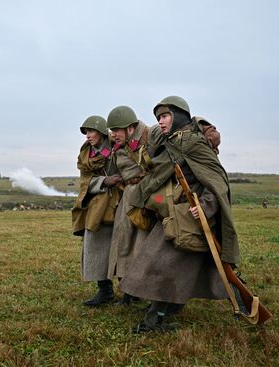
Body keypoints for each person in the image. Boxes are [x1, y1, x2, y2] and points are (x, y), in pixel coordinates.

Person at [119, 96, 240, 332]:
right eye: (159, 118)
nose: (161, 122)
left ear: (178, 116)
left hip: (191, 218)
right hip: (173, 215)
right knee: (173, 267)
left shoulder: (194, 142)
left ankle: (153, 321)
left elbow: (217, 182)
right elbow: (150, 140)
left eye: (165, 116)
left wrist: (205, 206)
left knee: (166, 267)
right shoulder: (170, 141)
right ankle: (163, 311)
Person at [72, 115, 122, 306]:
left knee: (124, 247)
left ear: (101, 132)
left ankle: (130, 291)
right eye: (86, 132)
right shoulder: (86, 154)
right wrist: (103, 181)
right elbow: (85, 181)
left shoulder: (118, 147)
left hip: (121, 202)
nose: (87, 135)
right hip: (97, 207)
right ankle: (105, 290)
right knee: (94, 245)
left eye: (91, 131)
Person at [105, 105, 152, 305]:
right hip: (127, 196)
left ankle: (148, 293)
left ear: (131, 128)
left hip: (147, 195)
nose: (113, 135)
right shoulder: (116, 144)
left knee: (141, 246)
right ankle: (128, 291)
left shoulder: (149, 136)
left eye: (117, 130)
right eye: (111, 130)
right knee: (122, 243)